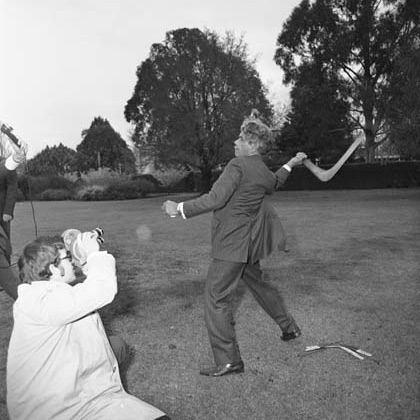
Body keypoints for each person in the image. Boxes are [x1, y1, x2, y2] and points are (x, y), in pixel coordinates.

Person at [162, 110, 307, 377]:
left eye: (240, 138)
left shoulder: (237, 166)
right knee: (260, 286)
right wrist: (292, 163)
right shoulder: (262, 170)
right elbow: (276, 181)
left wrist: (178, 208)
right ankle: (290, 328)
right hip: (248, 246)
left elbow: (215, 198)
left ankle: (229, 361)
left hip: (231, 245)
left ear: (252, 144)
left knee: (215, 298)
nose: (235, 142)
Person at [7, 233, 171, 420]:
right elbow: (101, 290)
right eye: (67, 258)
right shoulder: (40, 300)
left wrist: (86, 263)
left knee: (117, 347)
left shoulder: (48, 294)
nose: (71, 262)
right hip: (54, 409)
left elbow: (85, 295)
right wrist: (94, 254)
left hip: (70, 388)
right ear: (54, 268)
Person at [0, 136, 27, 299]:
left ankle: (4, 275)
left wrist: (8, 210)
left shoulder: (4, 161)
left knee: (4, 244)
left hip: (2, 211)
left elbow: (12, 187)